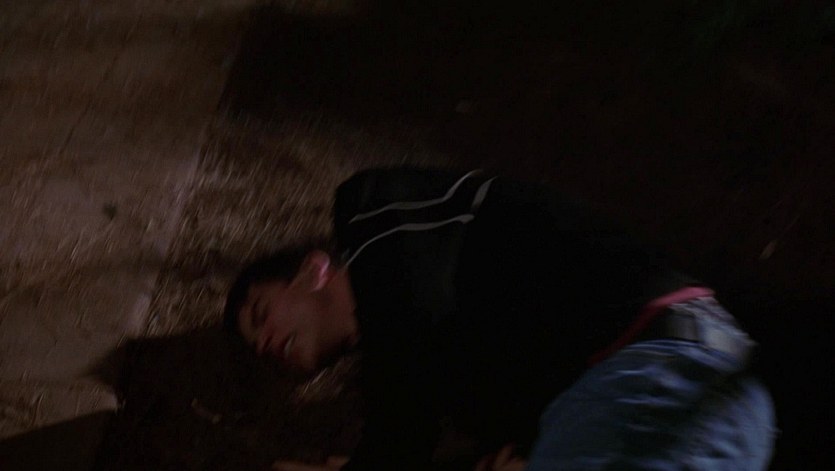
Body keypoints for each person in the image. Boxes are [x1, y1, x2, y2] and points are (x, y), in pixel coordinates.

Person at [224, 167, 776, 470]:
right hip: (715, 417)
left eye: (261, 313)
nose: (265, 341)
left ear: (313, 269)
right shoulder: (448, 365)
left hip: (664, 381)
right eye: (258, 347)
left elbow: (404, 401)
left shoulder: (377, 214)